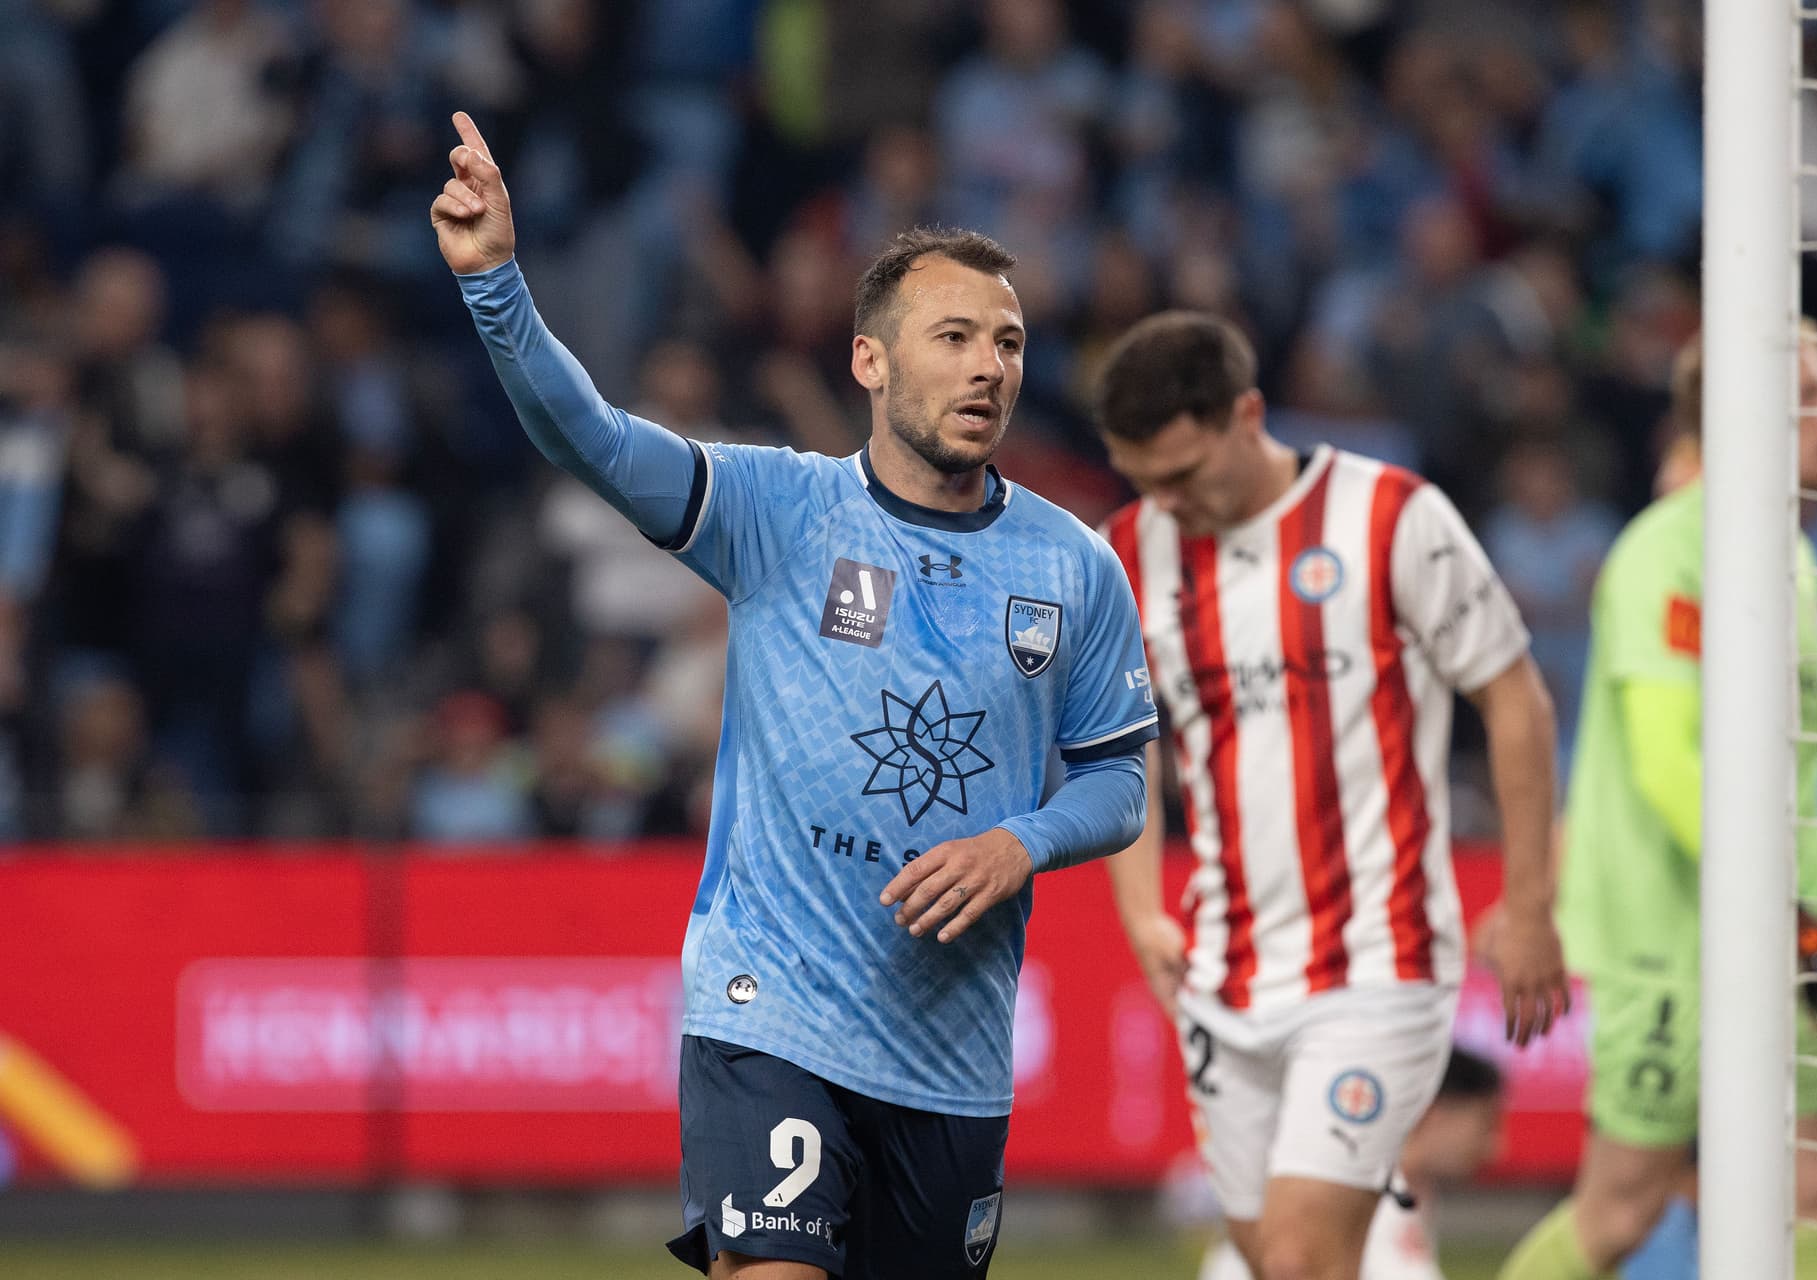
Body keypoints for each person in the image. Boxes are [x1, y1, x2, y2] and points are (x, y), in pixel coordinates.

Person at [431, 113, 1159, 1279]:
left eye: (1010, 342)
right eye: (955, 335)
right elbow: (593, 439)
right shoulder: (779, 510)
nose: (989, 366)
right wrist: (496, 285)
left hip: (951, 1058)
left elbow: (1121, 778)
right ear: (870, 360)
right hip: (770, 1006)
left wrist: (1021, 843)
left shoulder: (1074, 564)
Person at [1092, 310, 1568, 1280]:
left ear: (1249, 414)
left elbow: (1515, 698)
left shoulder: (1391, 516)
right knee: (1273, 1259)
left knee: (1305, 1252)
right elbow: (1117, 738)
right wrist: (1140, 906)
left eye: (1184, 473)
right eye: (1144, 480)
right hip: (1223, 967)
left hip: (1377, 961)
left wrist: (1530, 903)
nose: (1166, 502)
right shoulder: (1129, 547)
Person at [1492, 327, 1817, 1280]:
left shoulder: (1798, 562)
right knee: (1622, 1211)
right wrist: (1789, 919)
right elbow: (1669, 766)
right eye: (1809, 393)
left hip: (1810, 929)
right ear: (1737, 415)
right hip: (1679, 941)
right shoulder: (1663, 555)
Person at [1196, 1047, 1508, 1280]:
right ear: (1434, 1115)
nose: (1494, 1148)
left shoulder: (1388, 1182)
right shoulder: (1373, 1191)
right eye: (1485, 1124)